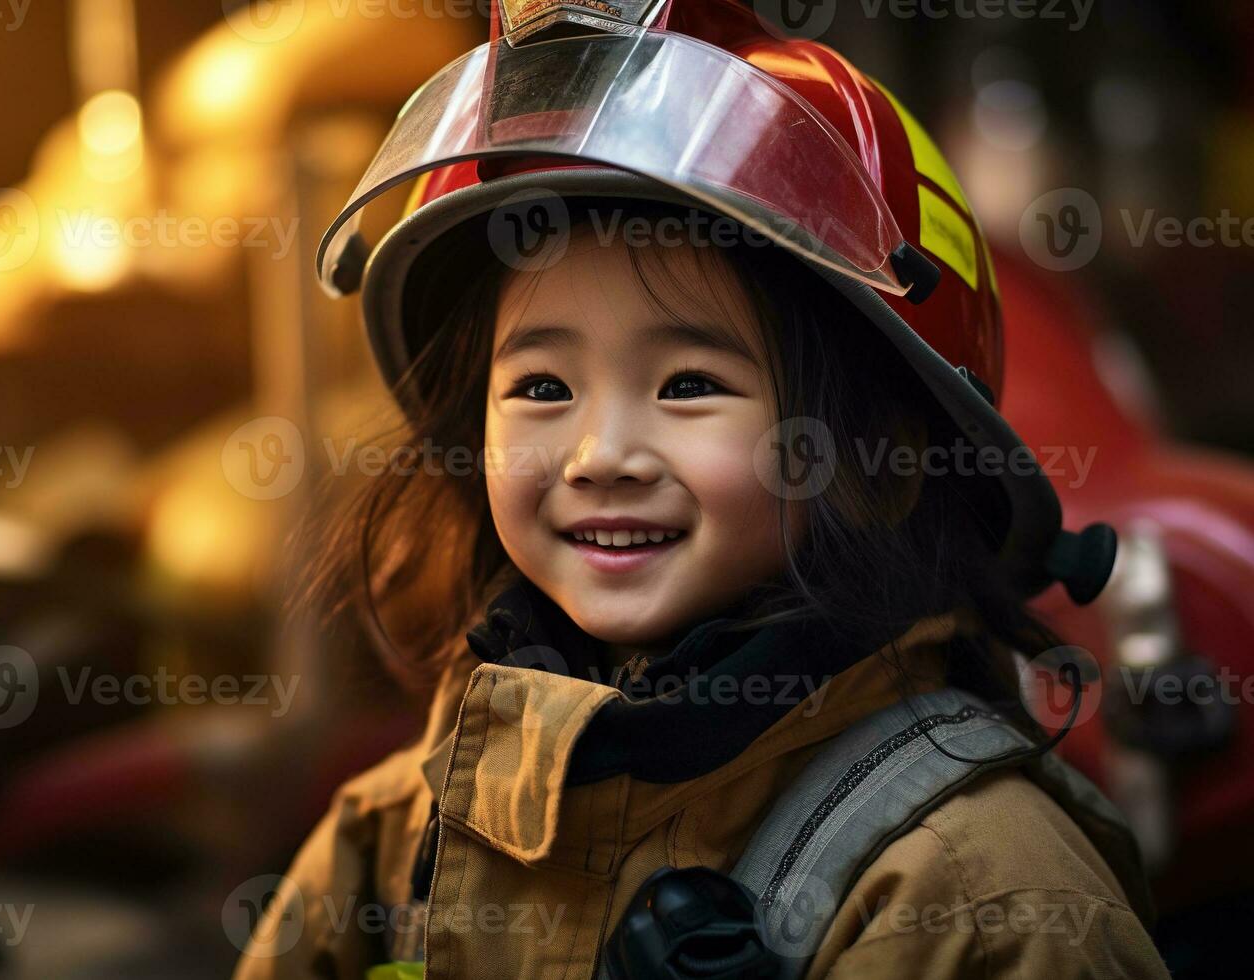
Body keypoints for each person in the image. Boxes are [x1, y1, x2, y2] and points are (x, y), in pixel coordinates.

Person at [234, 1, 1171, 976]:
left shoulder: (982, 895)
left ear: (883, 458)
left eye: (688, 386)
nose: (600, 453)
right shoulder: (389, 850)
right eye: (542, 387)